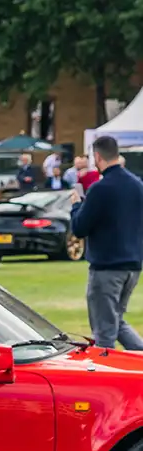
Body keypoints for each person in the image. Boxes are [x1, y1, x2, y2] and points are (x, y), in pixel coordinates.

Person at [71, 135, 143, 351]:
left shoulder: (99, 189)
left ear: (97, 156)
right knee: (116, 321)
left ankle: (104, 375)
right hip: (132, 265)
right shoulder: (137, 185)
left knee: (103, 332)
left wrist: (76, 206)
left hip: (107, 268)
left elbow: (79, 228)